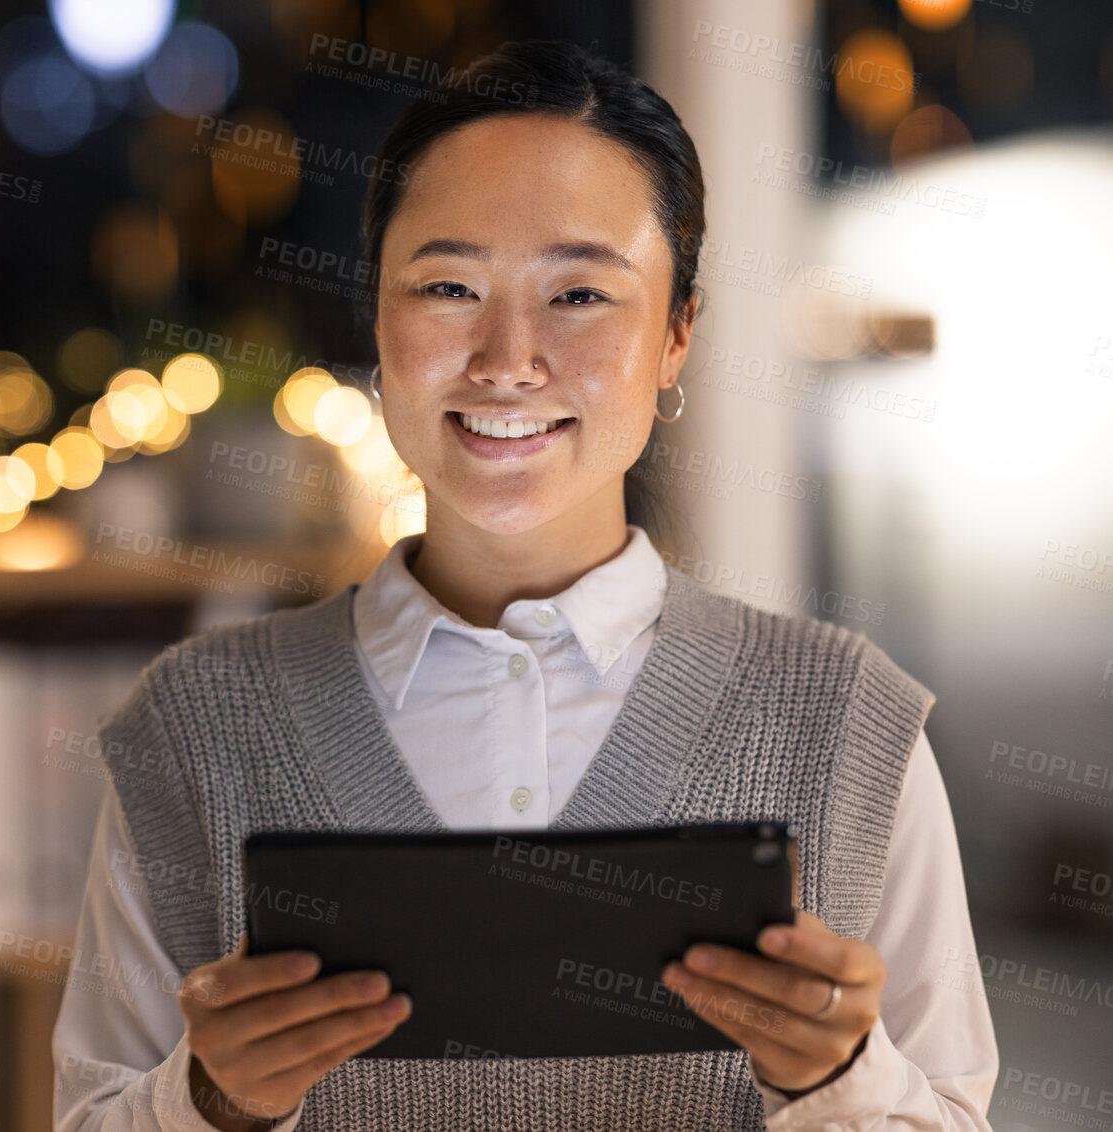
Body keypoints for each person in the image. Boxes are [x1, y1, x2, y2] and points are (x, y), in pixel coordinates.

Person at [52, 39, 996, 1131]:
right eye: (448, 285)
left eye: (579, 293)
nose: (505, 358)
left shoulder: (842, 725)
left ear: (676, 333)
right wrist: (207, 1102)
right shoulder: (195, 727)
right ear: (376, 316)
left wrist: (838, 1085)